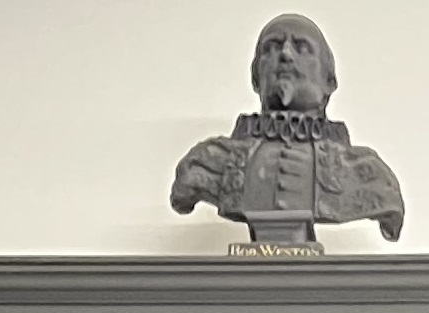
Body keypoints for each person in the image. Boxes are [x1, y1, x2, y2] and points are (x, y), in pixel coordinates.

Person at [170, 15, 406, 250]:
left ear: (329, 80)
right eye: (271, 48)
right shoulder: (210, 160)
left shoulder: (367, 172)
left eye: (302, 48)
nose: (286, 54)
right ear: (255, 77)